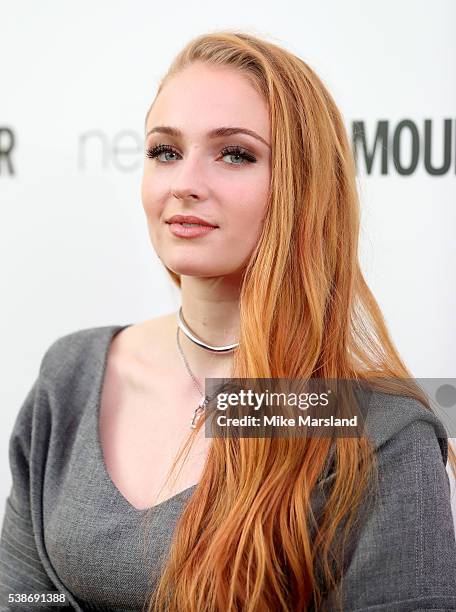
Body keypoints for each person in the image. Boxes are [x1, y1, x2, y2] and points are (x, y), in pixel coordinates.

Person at [1, 30, 455, 612]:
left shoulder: (374, 430)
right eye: (165, 151)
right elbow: (24, 596)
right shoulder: (74, 373)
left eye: (235, 154)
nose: (185, 184)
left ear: (302, 187)